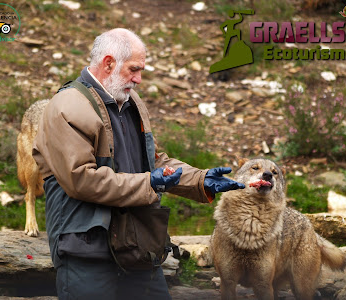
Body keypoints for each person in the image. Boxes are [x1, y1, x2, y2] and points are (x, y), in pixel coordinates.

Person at [33, 28, 245, 300]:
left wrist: (200, 180)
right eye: (134, 69)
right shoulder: (67, 107)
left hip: (136, 247)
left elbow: (156, 162)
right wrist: (150, 182)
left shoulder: (130, 102)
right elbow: (81, 180)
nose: (139, 79)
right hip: (86, 251)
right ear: (108, 63)